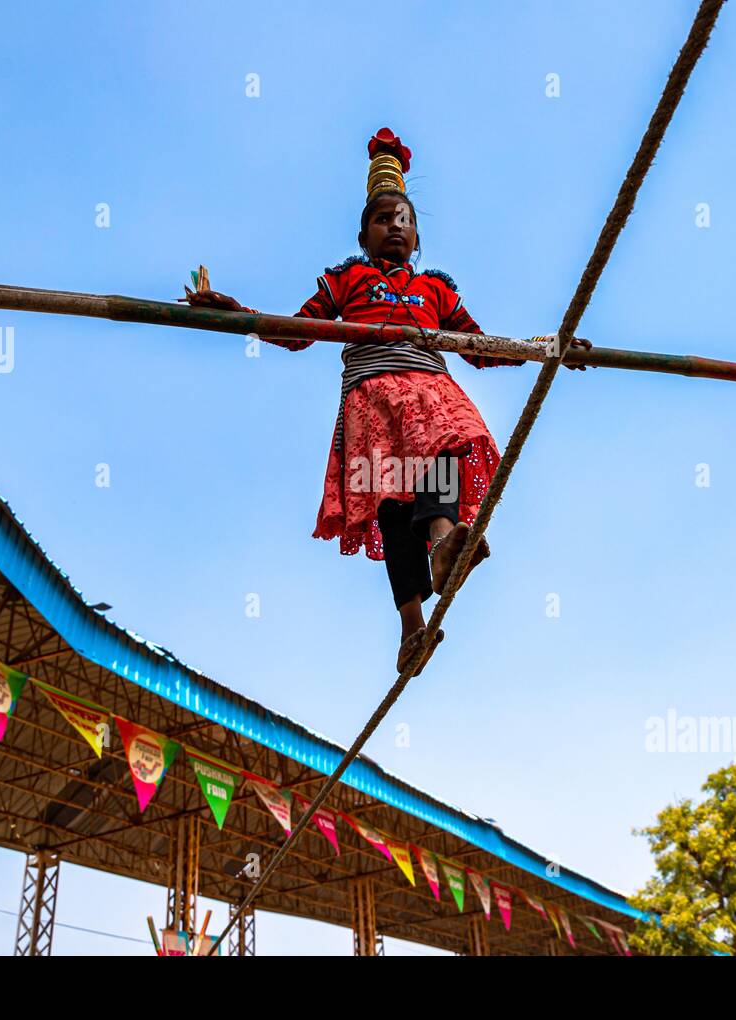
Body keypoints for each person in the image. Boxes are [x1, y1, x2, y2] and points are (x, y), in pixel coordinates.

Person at [186, 128, 589, 676]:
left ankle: (445, 544)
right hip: (373, 401)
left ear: (418, 237)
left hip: (430, 390)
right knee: (395, 513)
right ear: (363, 234)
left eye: (405, 220)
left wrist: (548, 349)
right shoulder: (346, 280)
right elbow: (298, 331)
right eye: (383, 219)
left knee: (449, 446)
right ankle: (411, 629)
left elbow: (482, 348)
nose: (394, 227)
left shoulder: (437, 291)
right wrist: (235, 311)